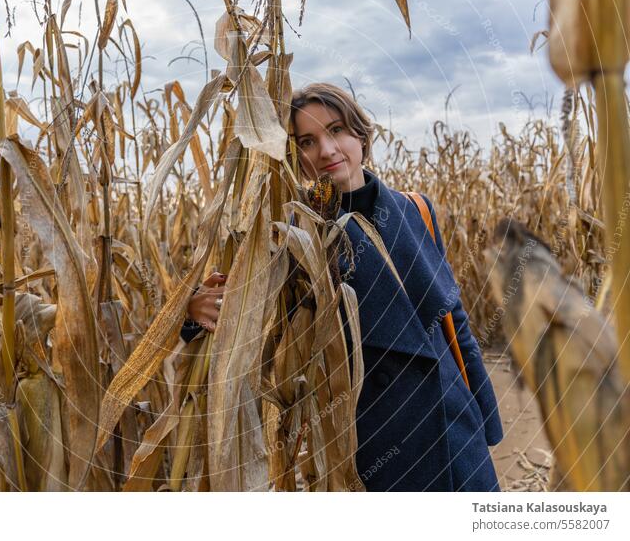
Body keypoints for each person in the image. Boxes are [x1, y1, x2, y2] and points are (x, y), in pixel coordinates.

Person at [180, 82, 503, 492]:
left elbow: (453, 321)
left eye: (336, 131)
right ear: (293, 157)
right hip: (379, 443)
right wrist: (194, 312)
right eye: (308, 141)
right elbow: (243, 313)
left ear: (361, 137)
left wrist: (485, 420)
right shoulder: (293, 236)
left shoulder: (415, 209)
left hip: (457, 428)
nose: (328, 150)